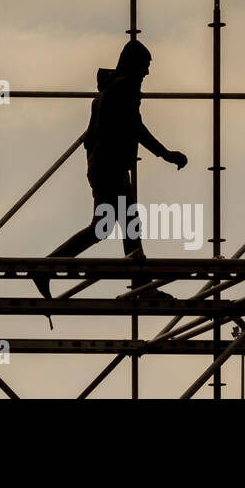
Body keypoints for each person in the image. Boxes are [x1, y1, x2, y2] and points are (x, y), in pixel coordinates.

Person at [32, 40, 187, 301]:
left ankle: (49, 268)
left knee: (112, 227)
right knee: (126, 226)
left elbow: (96, 134)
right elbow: (136, 127)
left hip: (102, 166)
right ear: (134, 64)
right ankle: (139, 285)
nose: (147, 73)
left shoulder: (107, 92)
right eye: (146, 66)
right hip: (110, 167)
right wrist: (165, 154)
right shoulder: (124, 88)